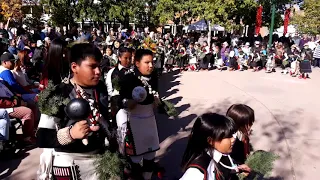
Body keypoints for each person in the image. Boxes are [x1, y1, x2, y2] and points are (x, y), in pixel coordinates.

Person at [36, 43, 112, 180]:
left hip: (101, 161)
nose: (98, 72)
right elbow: (42, 137)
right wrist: (70, 134)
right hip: (70, 163)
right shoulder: (57, 93)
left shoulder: (100, 88)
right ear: (74, 67)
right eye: (92, 66)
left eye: (99, 66)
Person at [118, 49, 160, 180]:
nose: (151, 65)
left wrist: (158, 102)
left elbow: (155, 95)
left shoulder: (154, 76)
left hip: (150, 120)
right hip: (134, 122)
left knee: (150, 155)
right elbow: (117, 100)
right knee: (135, 158)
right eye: (147, 62)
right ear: (137, 63)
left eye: (152, 62)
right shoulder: (128, 78)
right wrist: (127, 102)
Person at [180, 113, 251, 180]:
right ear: (210, 141)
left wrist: (237, 170)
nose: (233, 139)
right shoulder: (196, 173)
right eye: (228, 136)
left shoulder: (222, 155)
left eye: (232, 134)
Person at [105, 47, 132, 127]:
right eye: (125, 58)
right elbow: (110, 90)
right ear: (119, 58)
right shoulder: (113, 72)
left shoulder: (133, 71)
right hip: (119, 106)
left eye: (130, 58)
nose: (128, 61)